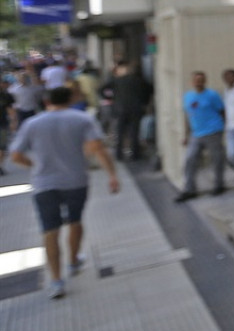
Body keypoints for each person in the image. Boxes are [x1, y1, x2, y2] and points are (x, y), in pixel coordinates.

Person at [11, 86, 120, 299]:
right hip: (75, 180)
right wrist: (112, 175)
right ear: (70, 99)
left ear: (47, 101)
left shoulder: (32, 123)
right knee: (75, 221)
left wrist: (33, 166)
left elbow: (15, 156)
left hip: (44, 184)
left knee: (50, 231)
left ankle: (56, 281)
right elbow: (98, 147)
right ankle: (73, 261)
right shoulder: (81, 119)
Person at [177, 71, 226, 202]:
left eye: (201, 80)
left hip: (213, 131)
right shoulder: (188, 96)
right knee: (190, 159)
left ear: (205, 81)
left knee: (216, 159)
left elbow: (222, 111)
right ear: (192, 82)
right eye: (196, 80)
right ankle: (189, 189)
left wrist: (223, 128)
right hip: (196, 133)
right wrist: (186, 134)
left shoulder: (212, 95)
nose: (198, 82)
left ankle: (218, 185)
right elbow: (187, 116)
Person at [112, 61, 153, 161]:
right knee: (134, 132)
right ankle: (134, 154)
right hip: (136, 109)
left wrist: (113, 98)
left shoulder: (119, 80)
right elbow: (150, 90)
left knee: (120, 132)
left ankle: (119, 154)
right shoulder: (140, 81)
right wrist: (145, 102)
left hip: (121, 109)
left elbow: (103, 89)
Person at [0, 78, 15, 174]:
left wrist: (14, 121)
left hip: (2, 124)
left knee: (2, 147)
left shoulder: (5, 96)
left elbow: (10, 109)